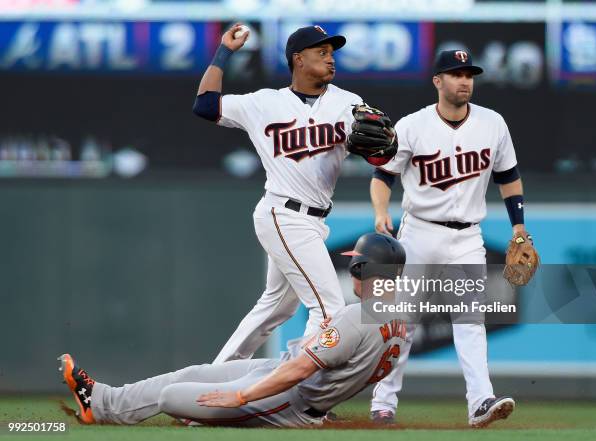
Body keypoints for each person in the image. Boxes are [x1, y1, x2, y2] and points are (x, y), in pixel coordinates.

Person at [58, 234, 408, 428]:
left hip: (289, 401)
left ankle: (216, 416)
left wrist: (241, 398)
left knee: (171, 398)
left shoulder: (354, 316)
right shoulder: (401, 323)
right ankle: (101, 402)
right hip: (283, 375)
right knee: (192, 374)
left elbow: (303, 369)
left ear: (361, 268)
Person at [192, 23, 367, 364]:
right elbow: (205, 106)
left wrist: (380, 150)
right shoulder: (264, 103)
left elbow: (380, 152)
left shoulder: (349, 103)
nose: (331, 59)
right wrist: (224, 52)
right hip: (283, 214)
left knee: (275, 307)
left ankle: (209, 385)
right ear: (298, 60)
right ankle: (295, 393)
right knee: (328, 309)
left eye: (332, 53)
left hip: (314, 219)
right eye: (322, 52)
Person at [368, 50, 522, 428]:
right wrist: (380, 211)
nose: (465, 80)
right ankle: (383, 402)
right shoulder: (412, 125)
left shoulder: (493, 123)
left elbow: (509, 177)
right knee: (403, 322)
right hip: (420, 231)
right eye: (455, 74)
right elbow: (383, 175)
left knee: (471, 320)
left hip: (468, 235)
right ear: (438, 81)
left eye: (469, 74)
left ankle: (480, 402)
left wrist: (519, 227)